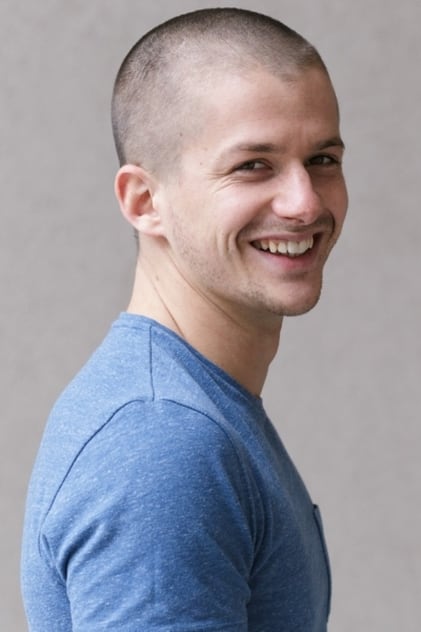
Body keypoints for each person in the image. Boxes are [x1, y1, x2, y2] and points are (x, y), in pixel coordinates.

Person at [21, 7, 347, 631]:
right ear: (145, 201)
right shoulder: (162, 444)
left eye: (323, 160)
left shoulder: (194, 410)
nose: (305, 202)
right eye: (253, 165)